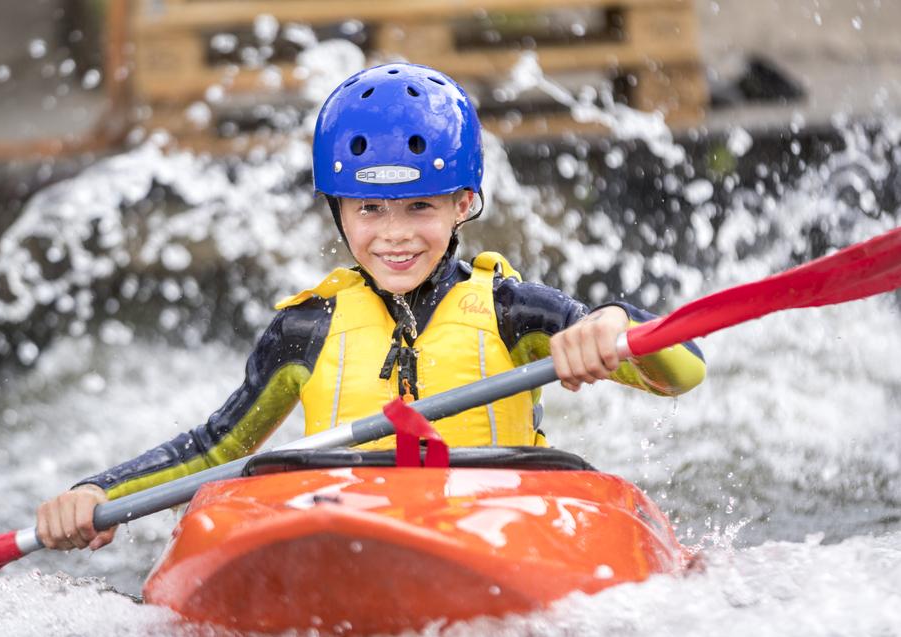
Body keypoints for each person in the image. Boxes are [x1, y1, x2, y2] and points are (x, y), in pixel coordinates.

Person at [36, 63, 705, 552]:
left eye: (421, 206)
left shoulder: (514, 311)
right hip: (345, 536)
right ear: (337, 208)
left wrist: (616, 325)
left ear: (463, 202)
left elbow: (684, 370)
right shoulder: (304, 330)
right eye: (369, 209)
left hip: (500, 528)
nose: (393, 234)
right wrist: (100, 491)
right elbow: (217, 446)